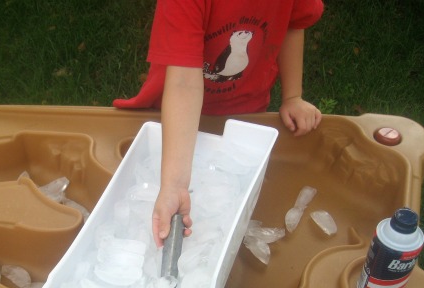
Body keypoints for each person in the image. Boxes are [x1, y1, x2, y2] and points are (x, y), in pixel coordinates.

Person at [113, 0, 324, 247]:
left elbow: (293, 24)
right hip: (174, 118)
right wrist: (174, 186)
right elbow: (182, 83)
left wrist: (292, 96)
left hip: (245, 111)